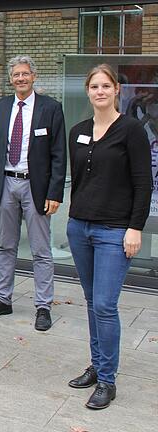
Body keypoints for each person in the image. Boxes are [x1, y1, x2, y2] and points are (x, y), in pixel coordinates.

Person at [66, 64, 151, 410]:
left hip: (115, 230)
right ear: (87, 91)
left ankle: (107, 380)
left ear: (116, 90)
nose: (99, 91)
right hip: (79, 228)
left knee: (104, 304)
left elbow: (143, 183)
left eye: (106, 86)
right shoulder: (78, 130)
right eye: (94, 86)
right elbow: (79, 179)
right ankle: (97, 364)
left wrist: (135, 227)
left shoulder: (131, 130)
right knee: (91, 302)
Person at [0, 55, 66, 331]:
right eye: (16, 75)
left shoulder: (50, 108)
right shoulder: (3, 107)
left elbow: (58, 155)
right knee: (6, 245)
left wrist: (55, 193)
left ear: (34, 76)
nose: (20, 79)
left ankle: (43, 306)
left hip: (35, 187)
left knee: (41, 249)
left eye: (25, 74)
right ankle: (2, 299)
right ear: (11, 79)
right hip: (6, 184)